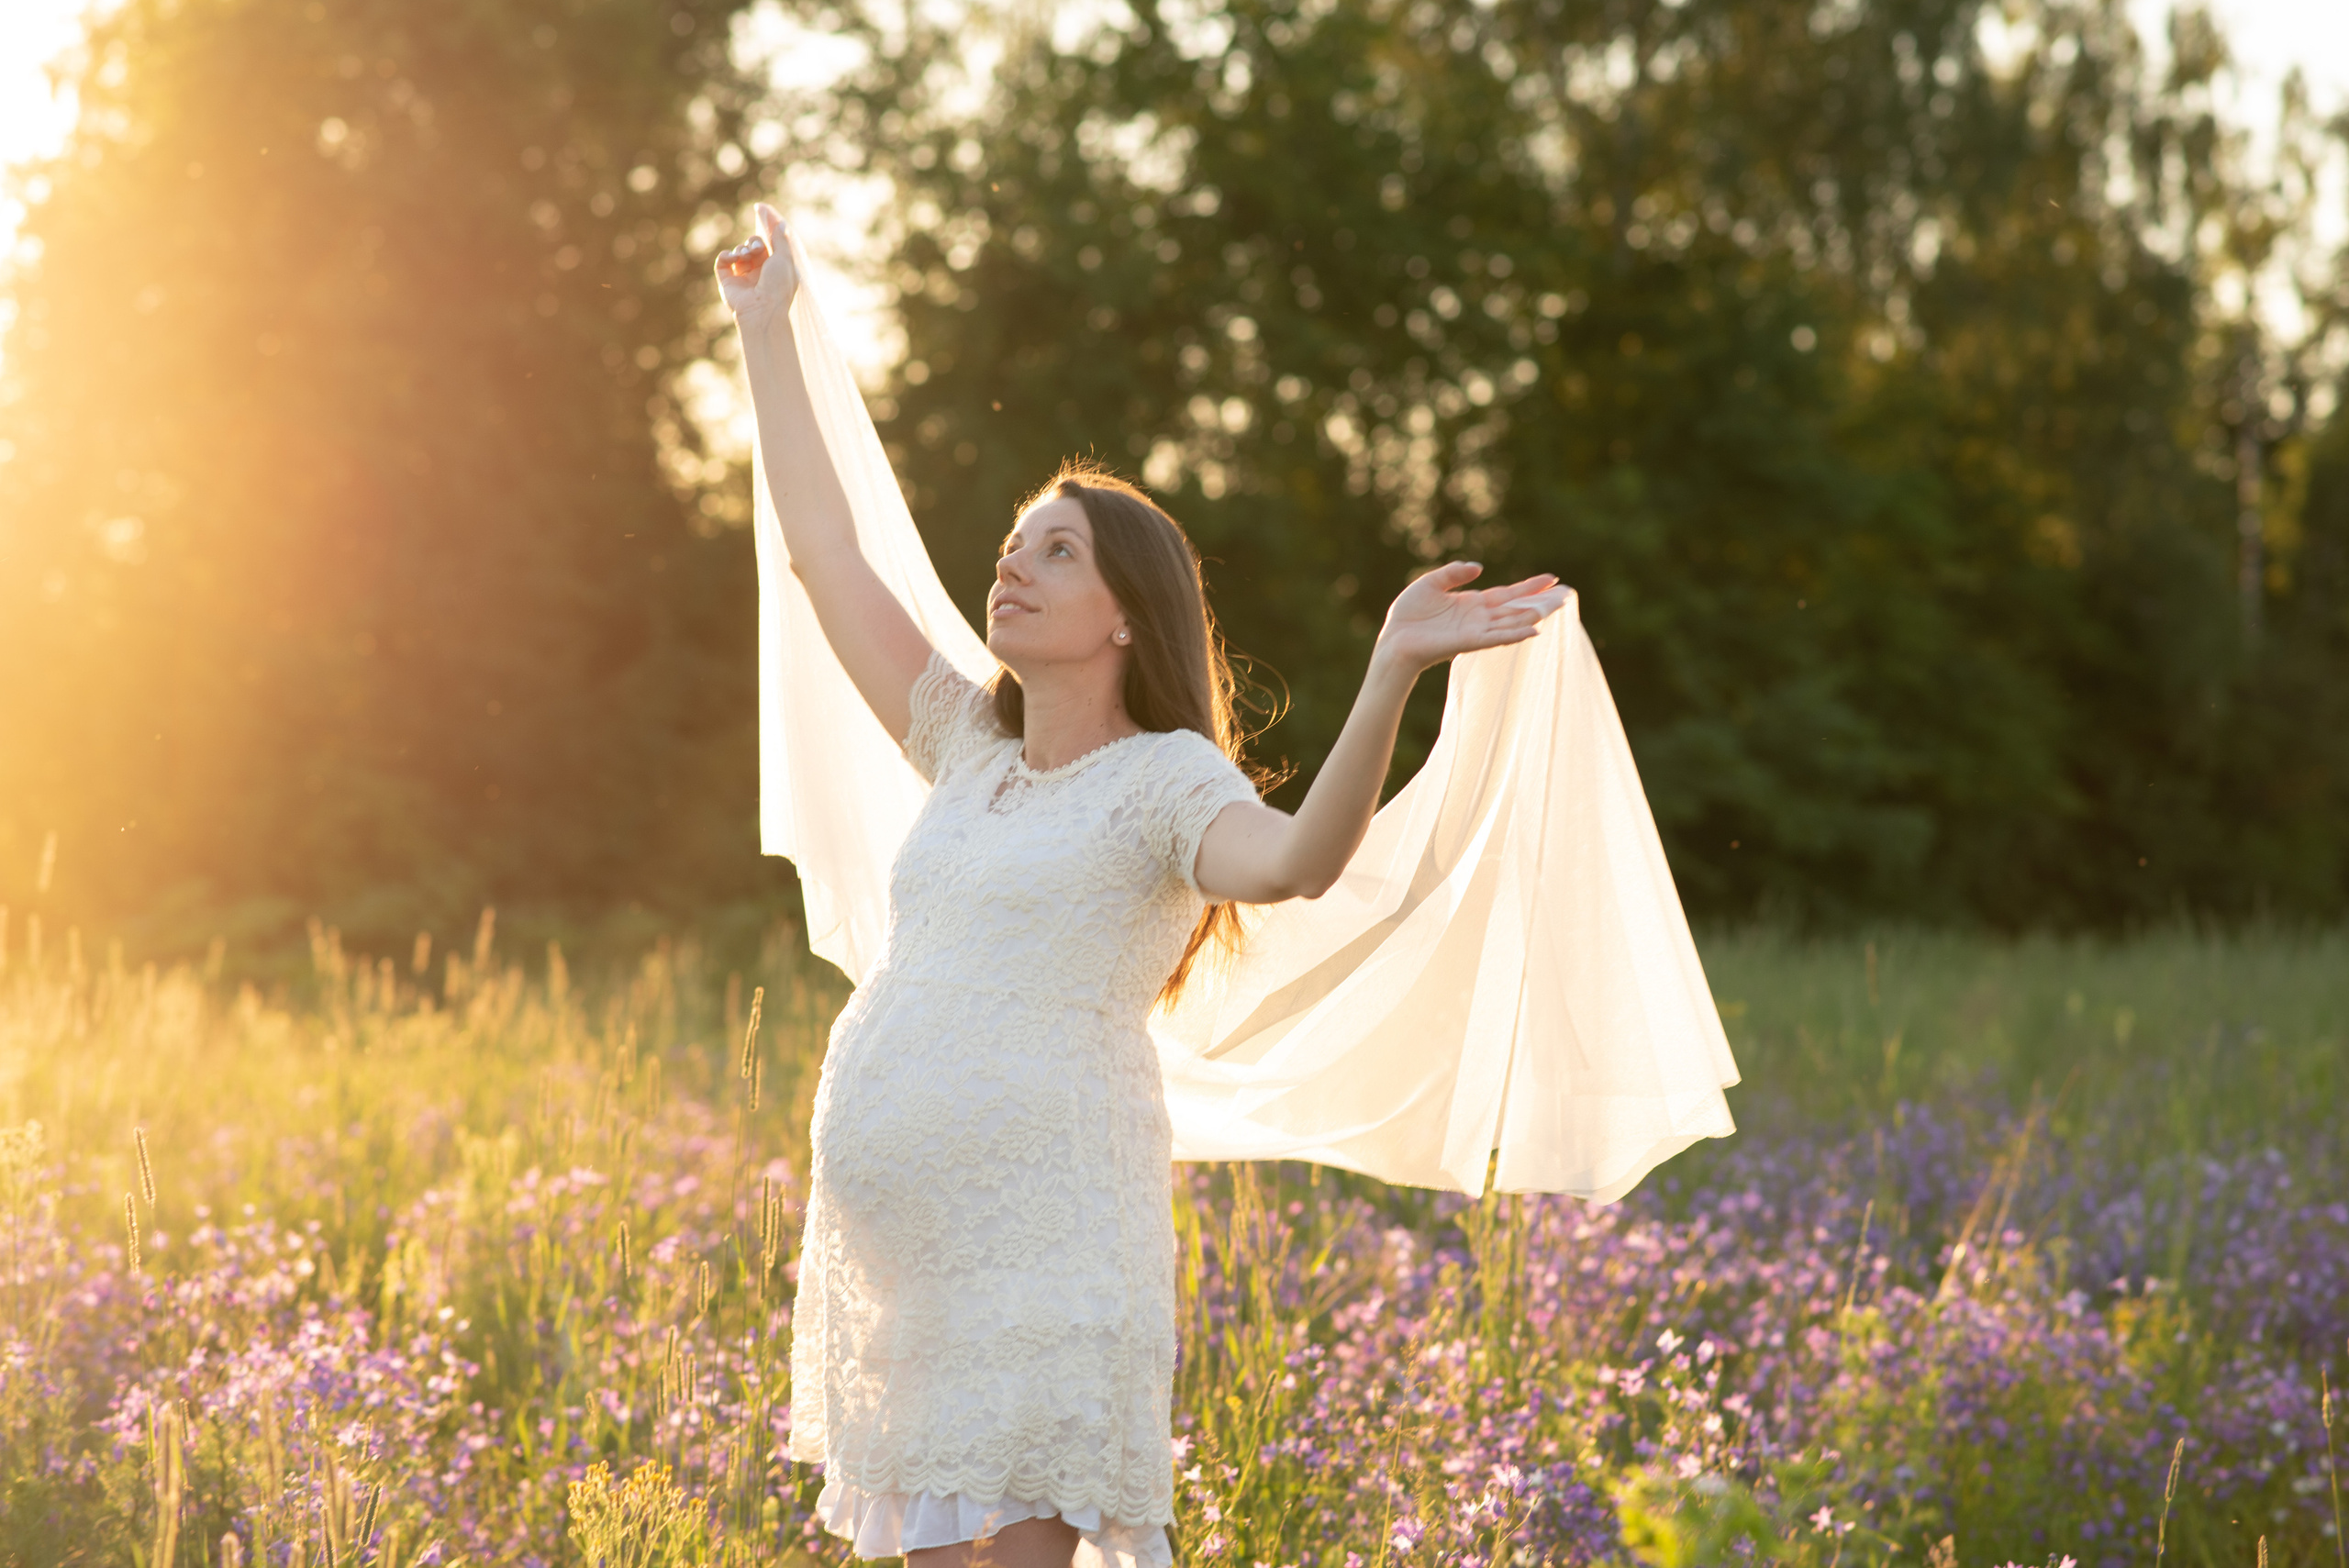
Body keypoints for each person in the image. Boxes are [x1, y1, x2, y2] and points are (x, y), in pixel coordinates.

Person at [718, 203, 1568, 1568]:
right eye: (1013, 541)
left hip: (1051, 1260)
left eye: (1057, 549)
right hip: (911, 1279)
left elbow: (1297, 863)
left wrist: (1391, 669)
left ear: (1127, 611)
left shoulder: (1168, 780)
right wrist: (767, 333)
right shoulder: (964, 744)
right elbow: (825, 554)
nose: (1012, 562)